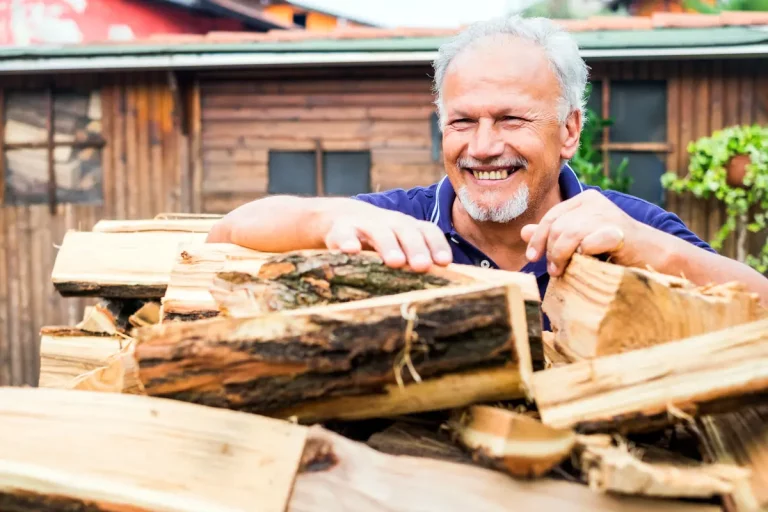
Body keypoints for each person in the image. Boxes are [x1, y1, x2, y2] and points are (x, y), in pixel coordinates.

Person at [207, 15, 768, 311]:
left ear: (569, 129)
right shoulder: (401, 227)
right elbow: (227, 233)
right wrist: (323, 219)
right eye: (461, 121)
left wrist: (653, 250)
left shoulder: (628, 228)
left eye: (511, 120)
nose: (481, 146)